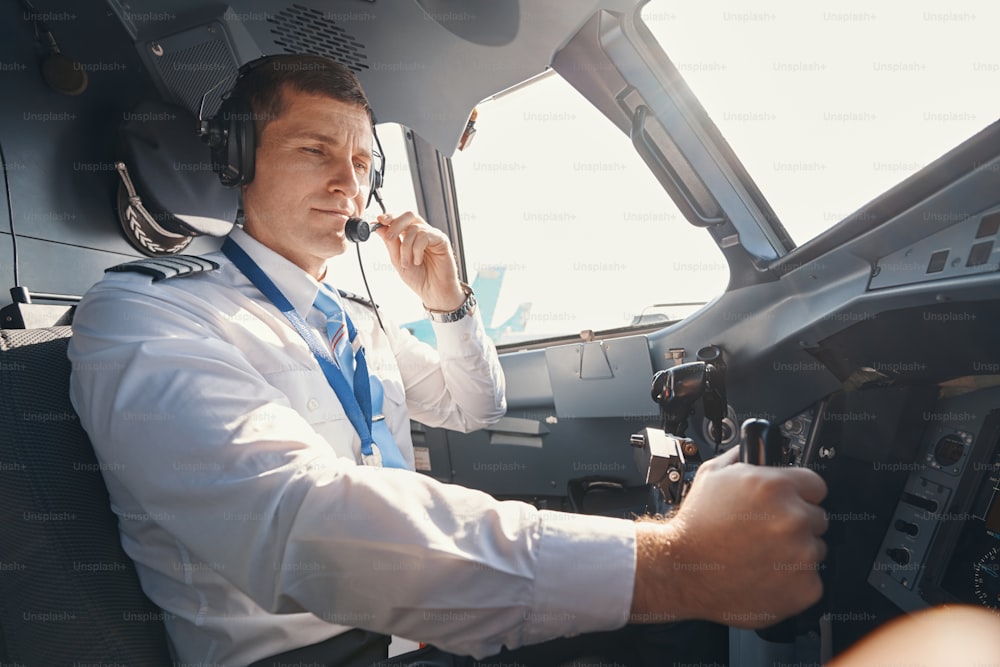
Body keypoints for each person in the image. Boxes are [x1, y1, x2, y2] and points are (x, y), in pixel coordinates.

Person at [68, 54, 828, 666]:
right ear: (238, 160)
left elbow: (477, 405)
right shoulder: (151, 315)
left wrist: (447, 304)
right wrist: (671, 563)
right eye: (314, 150)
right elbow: (302, 521)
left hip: (422, 632)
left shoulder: (355, 320)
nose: (348, 182)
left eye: (364, 162)